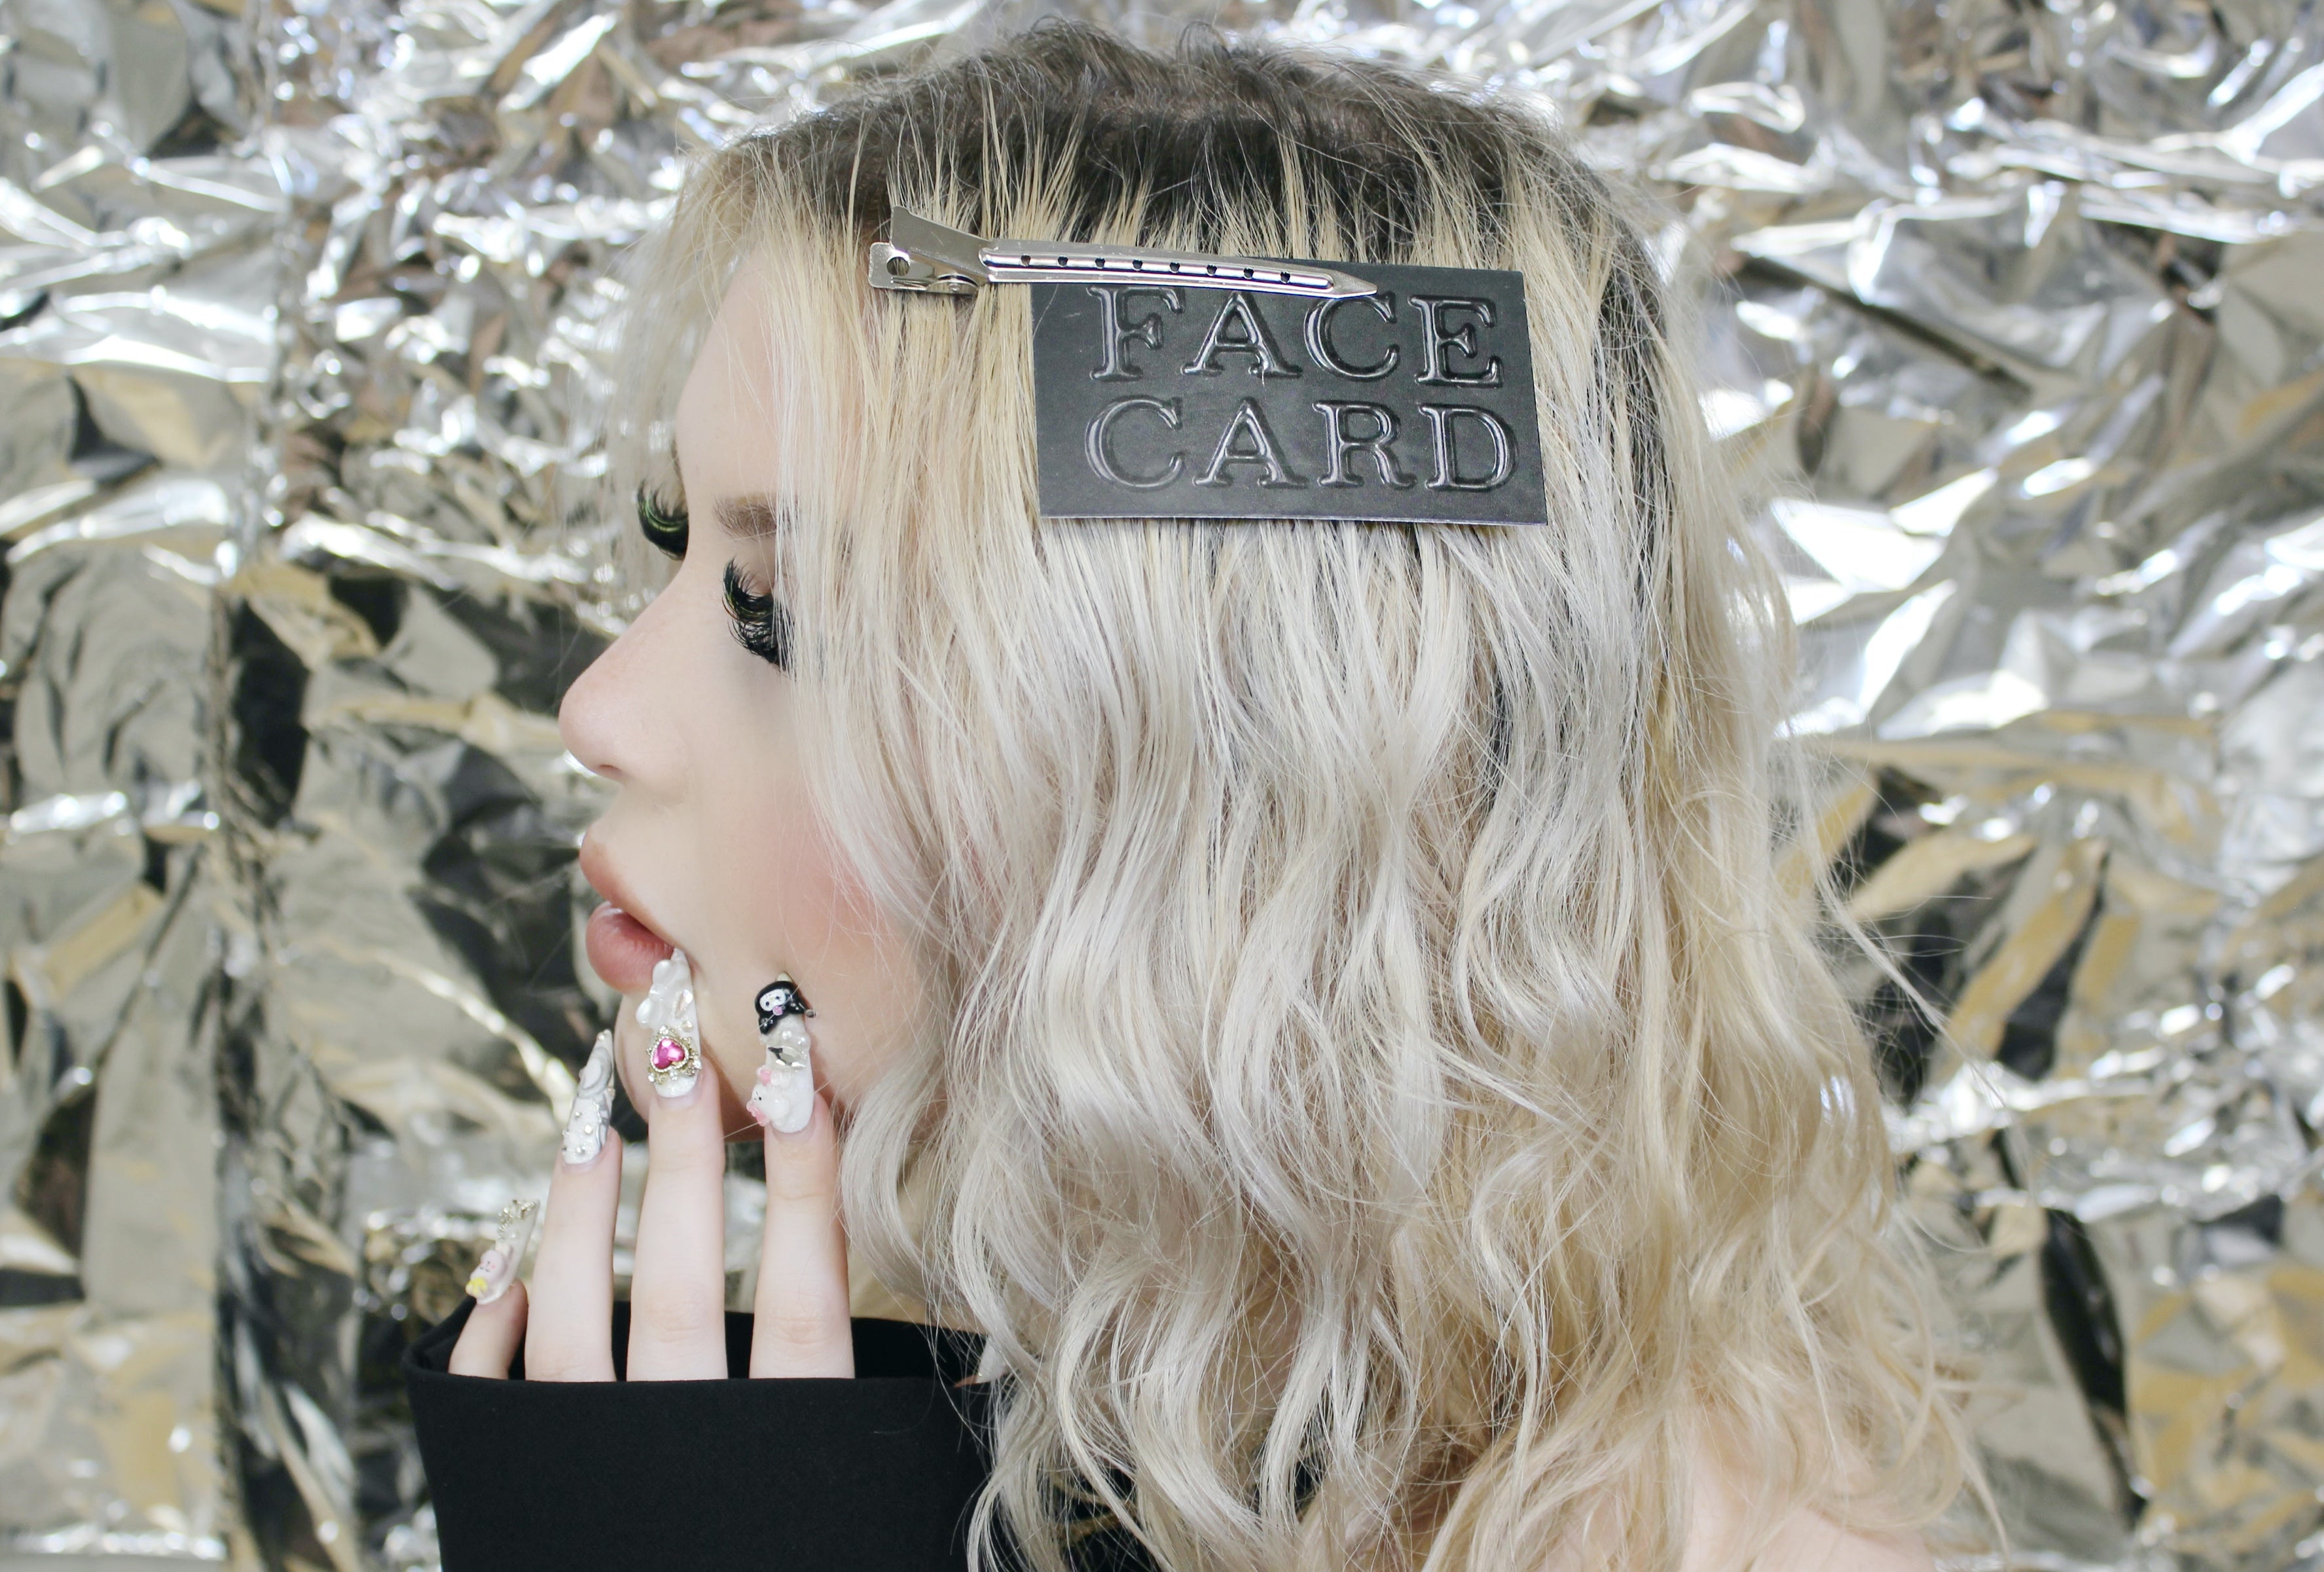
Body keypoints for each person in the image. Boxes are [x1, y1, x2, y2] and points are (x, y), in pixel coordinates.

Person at [403, 22, 1978, 1571]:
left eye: (788, 608)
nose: (598, 709)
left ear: (1228, 781)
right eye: (676, 545)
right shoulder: (968, 1395)